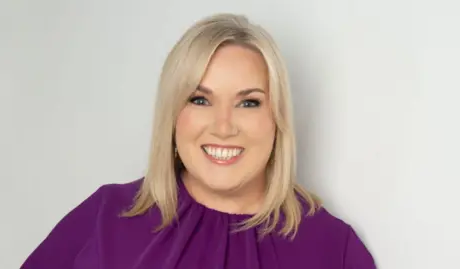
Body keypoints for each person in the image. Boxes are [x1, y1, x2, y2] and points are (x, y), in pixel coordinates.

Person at [21, 13, 376, 269]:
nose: (223, 127)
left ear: (278, 119)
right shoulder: (106, 216)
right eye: (200, 99)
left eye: (248, 102)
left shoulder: (333, 248)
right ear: (173, 115)